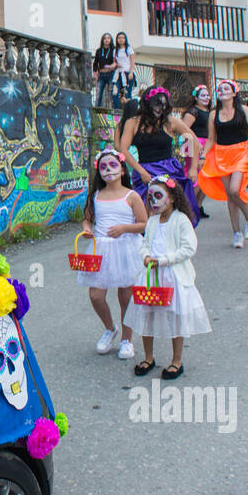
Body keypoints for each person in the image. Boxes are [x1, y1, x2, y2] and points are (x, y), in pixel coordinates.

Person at [124, 175, 210, 381]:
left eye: (158, 196)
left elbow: (189, 248)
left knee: (174, 317)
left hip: (173, 276)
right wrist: (145, 256)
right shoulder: (152, 221)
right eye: (151, 197)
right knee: (147, 313)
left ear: (171, 198)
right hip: (150, 276)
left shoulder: (181, 220)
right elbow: (144, 243)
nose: (153, 201)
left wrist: (163, 260)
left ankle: (177, 360)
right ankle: (149, 357)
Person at [78, 148, 147, 360]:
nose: (108, 170)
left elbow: (145, 223)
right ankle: (110, 328)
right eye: (103, 167)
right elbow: (87, 219)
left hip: (126, 248)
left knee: (126, 296)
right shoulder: (96, 196)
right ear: (99, 172)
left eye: (113, 165)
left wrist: (124, 228)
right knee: (96, 295)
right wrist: (87, 229)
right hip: (101, 249)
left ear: (123, 170)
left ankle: (127, 339)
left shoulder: (132, 196)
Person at [119, 85, 202, 225]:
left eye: (163, 104)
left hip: (169, 170)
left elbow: (193, 141)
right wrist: (141, 171)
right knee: (146, 212)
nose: (160, 108)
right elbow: (123, 150)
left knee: (171, 210)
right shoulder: (132, 122)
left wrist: (193, 168)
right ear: (147, 103)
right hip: (145, 171)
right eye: (156, 103)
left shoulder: (170, 121)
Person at [198, 80, 248, 248]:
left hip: (241, 152)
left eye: (226, 88)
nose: (222, 91)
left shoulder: (244, 110)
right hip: (222, 155)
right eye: (220, 89)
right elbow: (211, 139)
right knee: (230, 196)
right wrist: (202, 156)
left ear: (233, 93)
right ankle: (237, 233)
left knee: (234, 190)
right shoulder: (213, 114)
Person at [181, 85, 212, 218]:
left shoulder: (210, 111)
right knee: (196, 176)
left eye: (207, 95)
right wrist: (196, 142)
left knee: (207, 177)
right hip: (195, 144)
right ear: (196, 97)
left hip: (208, 145)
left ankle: (198, 206)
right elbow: (184, 128)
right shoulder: (193, 111)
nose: (206, 98)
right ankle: (187, 206)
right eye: (203, 95)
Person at [109, 32, 135, 108]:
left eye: (123, 38)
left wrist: (131, 72)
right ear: (117, 39)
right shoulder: (115, 50)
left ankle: (129, 109)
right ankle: (116, 109)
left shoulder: (129, 49)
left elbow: (133, 62)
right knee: (115, 91)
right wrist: (114, 65)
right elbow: (115, 61)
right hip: (118, 73)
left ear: (125, 39)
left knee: (127, 92)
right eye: (119, 38)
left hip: (127, 72)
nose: (121, 39)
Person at [91, 34, 116, 108]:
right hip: (101, 74)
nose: (106, 40)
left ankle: (113, 109)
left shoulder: (113, 50)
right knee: (99, 92)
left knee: (111, 92)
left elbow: (117, 60)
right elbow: (95, 63)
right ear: (102, 40)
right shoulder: (99, 51)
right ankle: (97, 109)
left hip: (111, 73)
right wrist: (95, 72)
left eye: (108, 38)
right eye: (105, 38)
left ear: (111, 40)